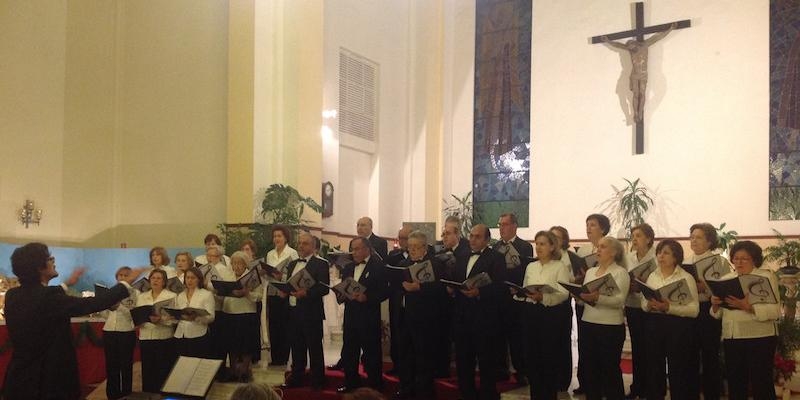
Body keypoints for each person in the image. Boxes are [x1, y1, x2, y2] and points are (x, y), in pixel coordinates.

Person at [2, 242, 143, 400]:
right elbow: (92, 304)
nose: (53, 260)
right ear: (39, 267)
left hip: (20, 378)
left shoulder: (13, 295)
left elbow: (43, 296)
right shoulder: (48, 298)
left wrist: (67, 284)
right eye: (50, 258)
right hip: (48, 380)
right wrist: (126, 283)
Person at [710, 241, 780, 400]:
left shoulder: (766, 277)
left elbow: (775, 311)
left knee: (761, 382)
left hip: (761, 336)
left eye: (744, 259)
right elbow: (718, 313)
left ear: (754, 260)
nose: (739, 262)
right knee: (735, 383)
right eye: (735, 258)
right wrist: (715, 305)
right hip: (733, 337)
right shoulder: (727, 278)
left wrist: (748, 307)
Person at [451, 224, 507, 400]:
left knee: (486, 360)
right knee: (463, 359)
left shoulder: (496, 258)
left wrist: (479, 292)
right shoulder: (461, 256)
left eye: (477, 237)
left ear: (487, 240)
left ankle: (487, 395)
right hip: (462, 316)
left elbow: (500, 286)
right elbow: (456, 278)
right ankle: (466, 393)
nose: (472, 240)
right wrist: (451, 287)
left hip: (484, 317)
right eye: (471, 236)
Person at [512, 231, 570, 400]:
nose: (538, 247)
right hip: (531, 314)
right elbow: (526, 288)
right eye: (537, 244)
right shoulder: (531, 266)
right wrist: (520, 292)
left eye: (543, 244)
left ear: (552, 246)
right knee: (532, 358)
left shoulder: (559, 266)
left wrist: (543, 297)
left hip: (550, 315)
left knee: (548, 358)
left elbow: (564, 294)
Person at [641, 239, 699, 400]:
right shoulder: (653, 275)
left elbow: (694, 310)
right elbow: (643, 301)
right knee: (654, 367)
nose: (661, 256)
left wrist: (669, 308)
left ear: (676, 257)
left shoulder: (686, 278)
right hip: (654, 324)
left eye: (666, 253)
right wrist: (649, 304)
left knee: (678, 368)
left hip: (678, 327)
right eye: (659, 252)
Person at [394, 231, 447, 400]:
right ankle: (406, 389)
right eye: (410, 247)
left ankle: (424, 392)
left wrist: (420, 288)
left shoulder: (435, 264)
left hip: (426, 319)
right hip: (405, 316)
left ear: (425, 247)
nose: (413, 250)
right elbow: (395, 287)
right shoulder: (402, 264)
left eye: (416, 247)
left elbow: (441, 289)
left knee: (424, 358)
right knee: (405, 355)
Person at [579, 236, 630, 400]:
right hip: (588, 323)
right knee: (590, 368)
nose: (598, 250)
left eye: (603, 247)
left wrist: (597, 298)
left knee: (609, 369)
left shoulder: (620, 273)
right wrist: (580, 296)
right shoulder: (590, 271)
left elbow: (619, 301)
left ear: (614, 252)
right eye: (598, 247)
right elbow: (587, 295)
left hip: (610, 326)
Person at [337, 237, 388, 393]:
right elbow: (344, 287)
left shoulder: (378, 266)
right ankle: (351, 383)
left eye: (357, 248)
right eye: (352, 249)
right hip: (351, 315)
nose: (354, 252)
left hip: (369, 316)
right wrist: (341, 294)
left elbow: (385, 291)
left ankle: (375, 385)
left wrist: (367, 297)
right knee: (350, 350)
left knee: (371, 351)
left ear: (367, 249)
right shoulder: (348, 267)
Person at [280, 232, 330, 390]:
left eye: (305, 243)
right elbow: (291, 285)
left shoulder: (321, 264)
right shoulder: (293, 264)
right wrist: (284, 291)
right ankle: (296, 378)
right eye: (300, 243)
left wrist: (306, 293)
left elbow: (324, 288)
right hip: (293, 311)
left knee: (314, 347)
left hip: (311, 313)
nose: (301, 246)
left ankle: (318, 381)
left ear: (314, 246)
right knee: (296, 347)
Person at [687, 222, 730, 400]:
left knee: (710, 355)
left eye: (698, 237)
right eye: (692, 237)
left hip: (709, 310)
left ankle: (712, 394)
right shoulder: (686, 261)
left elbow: (725, 289)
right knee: (690, 355)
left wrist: (704, 286)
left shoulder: (719, 261)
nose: (694, 241)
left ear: (710, 241)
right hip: (689, 311)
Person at [600, 23, 676, 122]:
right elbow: (617, 45)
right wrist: (608, 41)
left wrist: (670, 29)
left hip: (644, 75)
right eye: (630, 49)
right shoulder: (629, 49)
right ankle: (635, 113)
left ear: (636, 44)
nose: (632, 50)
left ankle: (640, 112)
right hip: (635, 75)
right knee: (635, 94)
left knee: (642, 93)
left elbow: (658, 37)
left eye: (632, 48)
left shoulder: (645, 45)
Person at [493, 212, 533, 384]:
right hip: (498, 298)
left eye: (505, 224)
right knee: (499, 336)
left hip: (516, 297)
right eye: (500, 224)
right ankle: (501, 369)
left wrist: (516, 286)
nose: (502, 228)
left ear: (514, 226)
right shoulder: (494, 248)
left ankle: (521, 371)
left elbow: (526, 271)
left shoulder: (524, 246)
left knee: (517, 337)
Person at [573, 213, 610, 395]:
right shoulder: (583, 250)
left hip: (603, 304)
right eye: (587, 224)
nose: (588, 228)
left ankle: (602, 383)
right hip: (584, 303)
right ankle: (585, 382)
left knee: (601, 348)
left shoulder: (611, 247)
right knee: (585, 345)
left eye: (593, 225)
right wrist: (579, 277)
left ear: (603, 228)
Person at [549, 225, 585, 392]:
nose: (555, 240)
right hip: (546, 303)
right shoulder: (546, 257)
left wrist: (576, 281)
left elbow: (579, 278)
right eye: (552, 237)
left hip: (564, 303)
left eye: (558, 237)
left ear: (564, 240)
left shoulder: (572, 257)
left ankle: (563, 379)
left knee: (563, 341)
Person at [623, 223, 656, 399]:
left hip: (650, 307)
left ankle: (650, 387)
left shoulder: (656, 258)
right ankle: (637, 386)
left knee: (650, 349)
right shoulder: (628, 258)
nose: (634, 239)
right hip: (632, 304)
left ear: (649, 238)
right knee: (637, 347)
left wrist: (644, 284)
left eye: (639, 236)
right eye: (633, 236)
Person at [222, 251, 263, 382]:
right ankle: (233, 370)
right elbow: (221, 293)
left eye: (240, 263)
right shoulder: (228, 276)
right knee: (232, 343)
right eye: (234, 263)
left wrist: (247, 293)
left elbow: (259, 296)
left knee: (246, 343)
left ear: (245, 264)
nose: (237, 266)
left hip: (246, 313)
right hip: (229, 313)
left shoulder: (252, 277)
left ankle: (245, 371)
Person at [135, 268, 177, 393]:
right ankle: (148, 394)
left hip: (164, 337)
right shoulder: (142, 296)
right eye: (153, 278)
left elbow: (175, 319)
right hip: (146, 336)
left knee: (163, 369)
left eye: (159, 278)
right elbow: (137, 316)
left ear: (164, 282)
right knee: (148, 370)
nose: (155, 280)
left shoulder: (171, 296)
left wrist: (161, 320)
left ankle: (163, 395)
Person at [263, 225, 298, 366]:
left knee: (284, 325)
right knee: (273, 325)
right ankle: (274, 357)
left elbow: (295, 275)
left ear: (285, 238)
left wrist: (281, 276)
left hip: (285, 292)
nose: (276, 239)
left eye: (279, 236)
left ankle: (283, 357)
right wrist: (267, 272)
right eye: (275, 236)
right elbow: (268, 272)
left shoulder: (292, 253)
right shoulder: (270, 254)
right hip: (272, 291)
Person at [102, 266, 138, 400]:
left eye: (125, 275)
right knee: (111, 364)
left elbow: (134, 314)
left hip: (126, 331)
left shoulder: (134, 293)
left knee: (126, 364)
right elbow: (104, 314)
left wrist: (120, 307)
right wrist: (109, 308)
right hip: (109, 330)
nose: (122, 278)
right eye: (120, 275)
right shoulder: (111, 292)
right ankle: (112, 394)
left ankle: (126, 393)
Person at [385, 226, 413, 375]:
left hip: (413, 300)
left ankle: (410, 367)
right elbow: (388, 275)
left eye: (405, 238)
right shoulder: (393, 255)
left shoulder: (421, 255)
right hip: (396, 298)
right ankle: (397, 365)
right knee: (396, 331)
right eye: (400, 238)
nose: (402, 241)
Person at [173, 266, 216, 358]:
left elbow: (211, 317)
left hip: (198, 334)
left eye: (193, 278)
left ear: (199, 280)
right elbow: (177, 314)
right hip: (181, 334)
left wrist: (196, 318)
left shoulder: (206, 294)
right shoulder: (180, 295)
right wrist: (173, 317)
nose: (190, 280)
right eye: (187, 278)